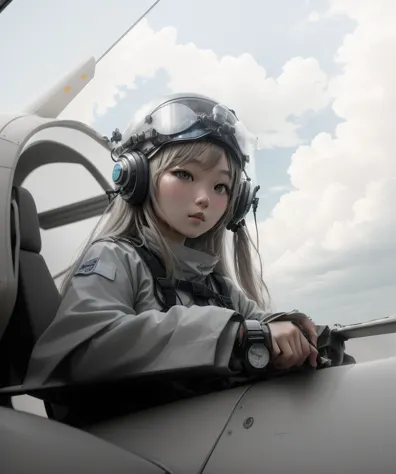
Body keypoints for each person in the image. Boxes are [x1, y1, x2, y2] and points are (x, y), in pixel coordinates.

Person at [25, 93, 319, 414]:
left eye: (221, 187)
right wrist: (231, 335)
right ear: (136, 177)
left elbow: (256, 321)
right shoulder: (116, 257)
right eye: (184, 174)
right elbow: (76, 351)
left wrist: (296, 331)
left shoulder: (214, 283)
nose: (205, 198)